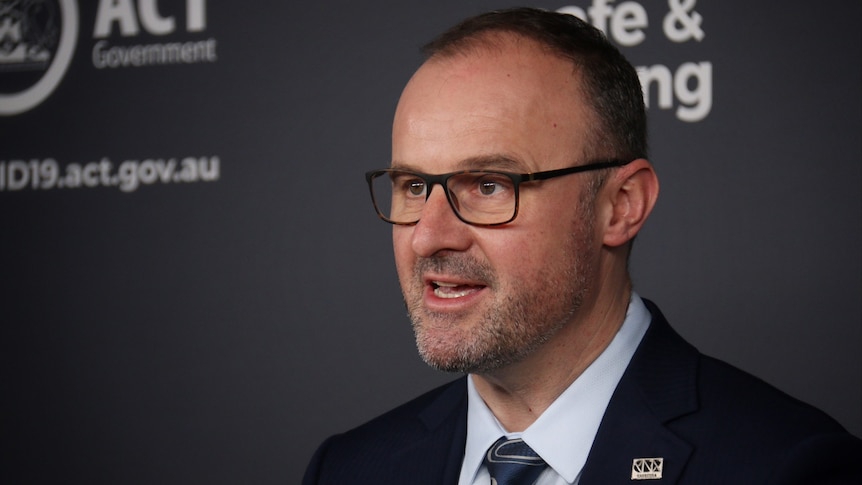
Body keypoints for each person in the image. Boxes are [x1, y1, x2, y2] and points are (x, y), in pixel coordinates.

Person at [303, 7, 861, 484]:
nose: (429, 235)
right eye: (415, 187)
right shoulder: (350, 468)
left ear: (620, 205)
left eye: (491, 186)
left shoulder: (785, 465)